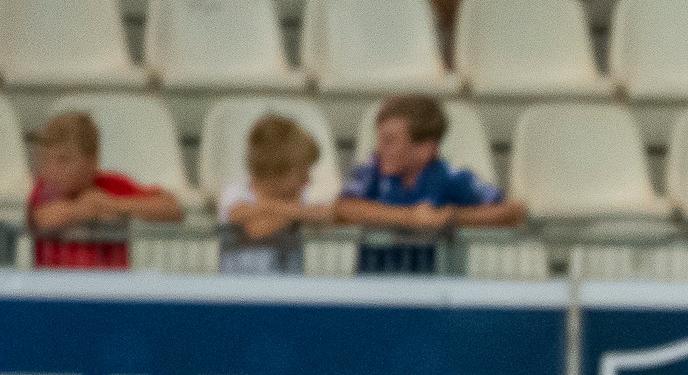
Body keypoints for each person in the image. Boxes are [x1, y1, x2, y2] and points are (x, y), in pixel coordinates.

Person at [333, 95, 527, 234]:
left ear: (424, 150)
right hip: (376, 286)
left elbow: (512, 211)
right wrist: (410, 218)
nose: (379, 149)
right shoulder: (373, 170)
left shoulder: (450, 177)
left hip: (439, 287)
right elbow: (343, 208)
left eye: (389, 141)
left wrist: (452, 217)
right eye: (380, 140)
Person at [26, 112, 184, 269]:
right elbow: (40, 219)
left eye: (64, 160)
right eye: (46, 159)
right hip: (55, 289)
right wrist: (80, 210)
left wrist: (113, 204)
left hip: (110, 289)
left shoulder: (110, 186)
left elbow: (172, 209)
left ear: (92, 162)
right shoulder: (44, 190)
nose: (51, 170)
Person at [218, 115, 334, 274]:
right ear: (275, 174)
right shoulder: (236, 193)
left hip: (288, 292)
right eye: (301, 174)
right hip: (240, 293)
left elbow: (327, 214)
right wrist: (297, 213)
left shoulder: (297, 195)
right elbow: (255, 230)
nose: (307, 181)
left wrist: (269, 207)